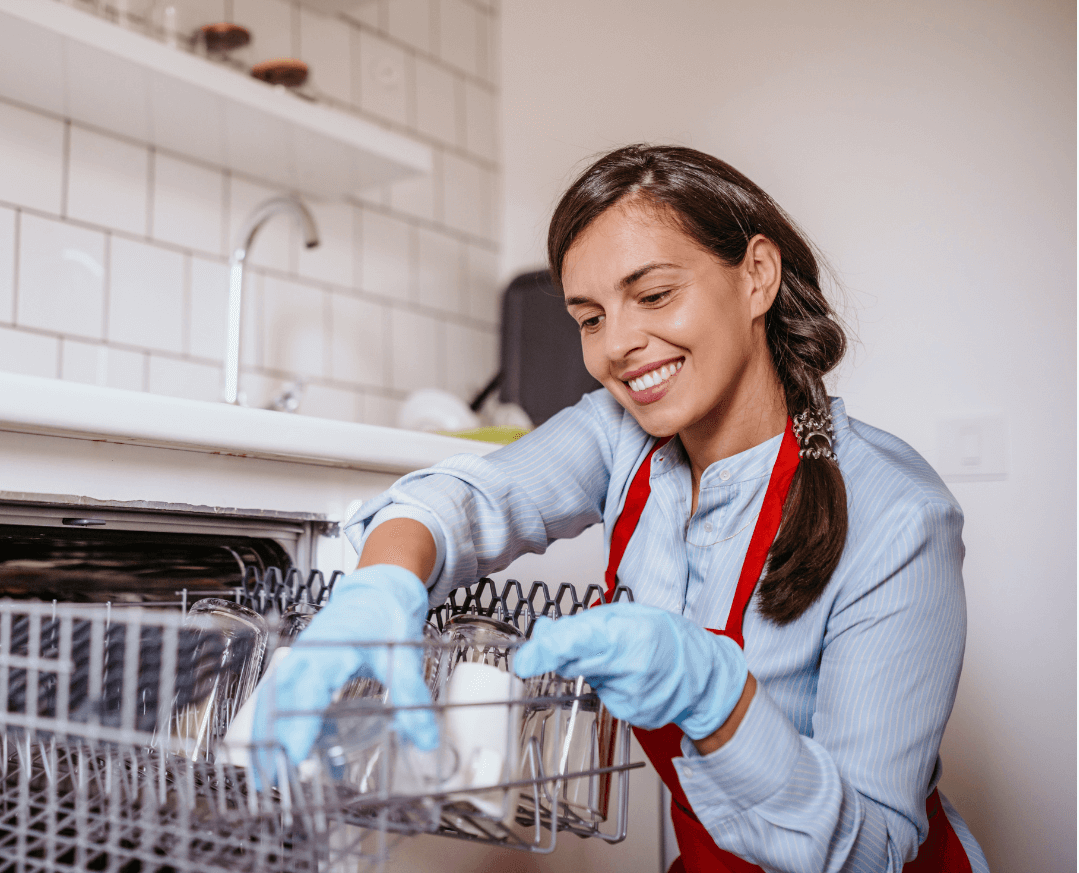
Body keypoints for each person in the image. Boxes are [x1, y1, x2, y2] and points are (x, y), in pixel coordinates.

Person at [254, 145, 987, 872]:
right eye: (591, 317)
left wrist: (717, 697)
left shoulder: (898, 516)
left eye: (655, 294)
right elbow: (467, 499)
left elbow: (874, 852)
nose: (622, 346)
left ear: (757, 276)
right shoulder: (619, 435)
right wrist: (383, 583)